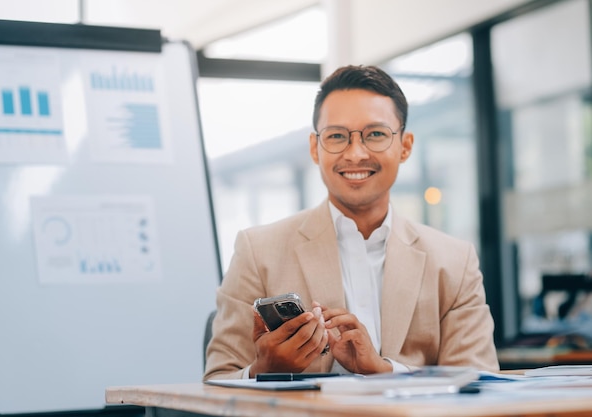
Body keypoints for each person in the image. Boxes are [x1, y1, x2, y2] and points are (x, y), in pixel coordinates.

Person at [203, 65, 499, 380]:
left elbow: (479, 383)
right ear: (315, 148)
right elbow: (216, 382)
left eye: (375, 134)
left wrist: (384, 370)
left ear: (406, 146)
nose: (356, 154)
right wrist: (264, 370)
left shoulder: (454, 262)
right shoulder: (257, 252)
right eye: (337, 136)